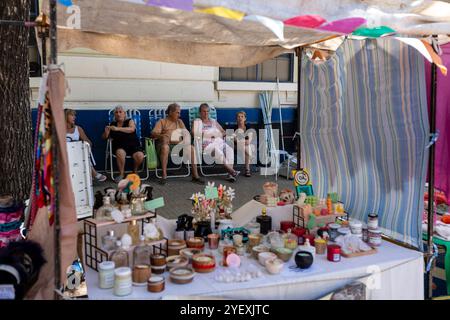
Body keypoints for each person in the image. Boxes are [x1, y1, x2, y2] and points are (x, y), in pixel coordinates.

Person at [151, 103, 204, 185]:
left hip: (178, 145)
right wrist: (162, 136)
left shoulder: (179, 122)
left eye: (179, 112)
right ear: (170, 112)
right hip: (165, 145)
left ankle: (195, 176)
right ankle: (164, 175)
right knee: (165, 147)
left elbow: (186, 133)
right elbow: (153, 133)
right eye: (177, 112)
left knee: (191, 148)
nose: (179, 115)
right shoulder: (162, 121)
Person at [192, 103, 239, 182]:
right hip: (206, 145)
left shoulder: (213, 121)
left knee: (229, 150)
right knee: (218, 152)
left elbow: (223, 132)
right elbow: (193, 133)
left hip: (219, 142)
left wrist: (218, 134)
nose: (206, 113)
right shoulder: (197, 121)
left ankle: (230, 175)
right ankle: (231, 171)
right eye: (204, 111)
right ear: (200, 112)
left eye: (207, 111)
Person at [102, 105, 145, 182]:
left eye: (120, 112)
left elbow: (132, 129)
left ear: (124, 114)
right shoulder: (112, 124)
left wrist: (117, 129)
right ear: (114, 115)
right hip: (120, 146)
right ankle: (121, 174)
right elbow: (104, 138)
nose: (118, 114)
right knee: (120, 152)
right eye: (116, 112)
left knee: (140, 155)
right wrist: (106, 132)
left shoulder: (130, 121)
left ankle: (135, 171)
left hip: (133, 145)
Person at [65, 108, 107, 182]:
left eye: (75, 115)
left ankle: (92, 174)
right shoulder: (58, 129)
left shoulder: (78, 128)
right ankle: (94, 174)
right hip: (64, 153)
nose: (74, 117)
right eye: (72, 115)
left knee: (82, 152)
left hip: (76, 151)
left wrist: (85, 145)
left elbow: (88, 141)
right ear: (65, 116)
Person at [233, 111, 257, 177]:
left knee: (246, 146)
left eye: (242, 116)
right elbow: (235, 141)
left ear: (245, 118)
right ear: (236, 119)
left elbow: (248, 141)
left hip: (248, 146)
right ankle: (247, 169)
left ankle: (247, 169)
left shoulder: (249, 128)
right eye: (238, 117)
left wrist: (240, 140)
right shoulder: (233, 128)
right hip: (236, 146)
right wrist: (242, 141)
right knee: (245, 147)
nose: (240, 118)